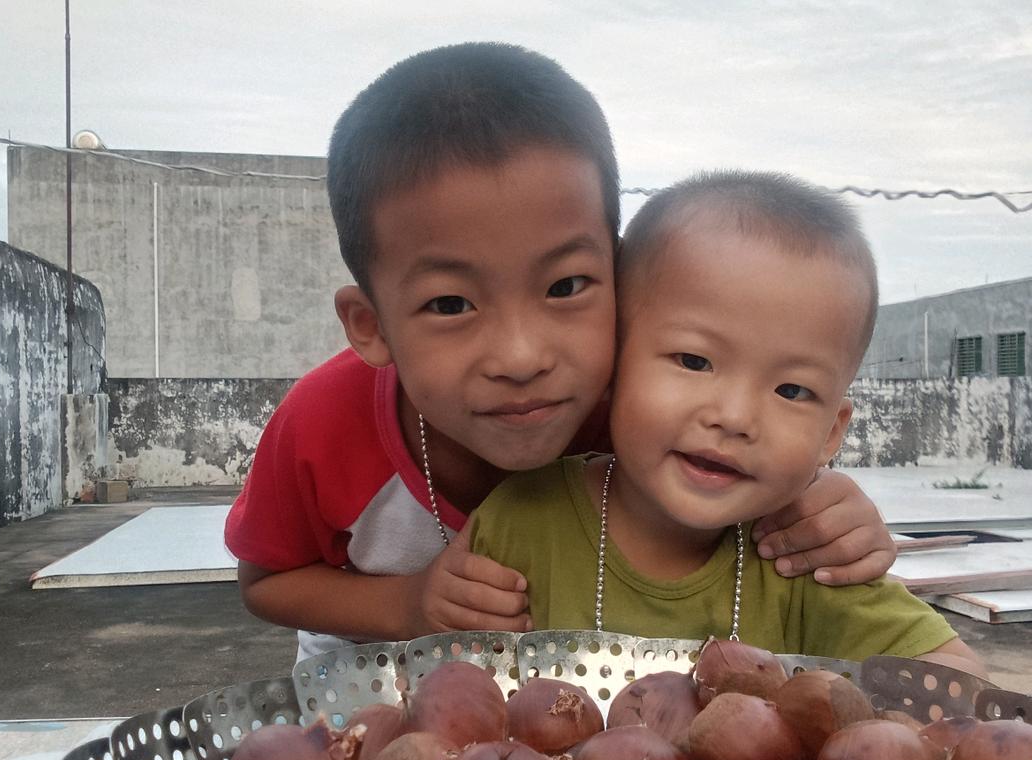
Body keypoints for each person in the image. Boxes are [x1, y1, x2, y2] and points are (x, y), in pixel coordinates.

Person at [225, 43, 898, 664]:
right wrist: (408, 605)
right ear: (369, 324)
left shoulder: (639, 412)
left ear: (623, 274)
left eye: (566, 286)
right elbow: (267, 581)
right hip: (365, 702)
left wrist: (824, 510)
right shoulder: (321, 426)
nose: (521, 356)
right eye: (452, 304)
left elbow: (752, 469)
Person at [468, 170, 985, 674]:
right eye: (695, 361)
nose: (735, 418)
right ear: (613, 360)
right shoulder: (521, 525)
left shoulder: (805, 556)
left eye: (791, 390)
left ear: (831, 432)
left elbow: (959, 683)